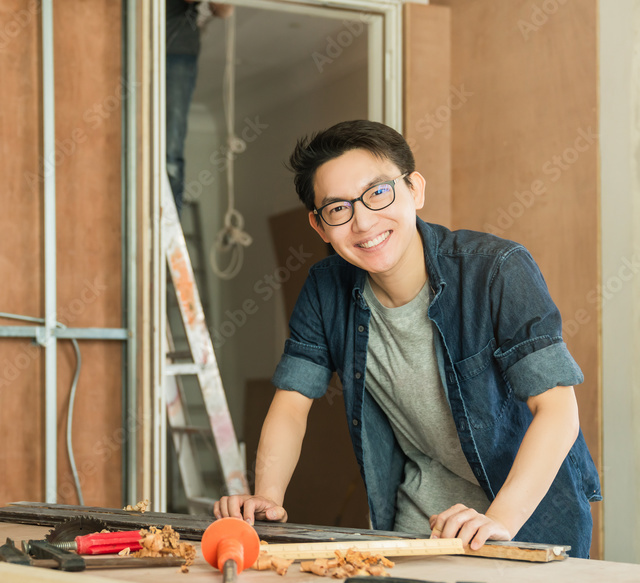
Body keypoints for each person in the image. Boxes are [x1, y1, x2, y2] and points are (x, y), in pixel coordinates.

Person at [213, 120, 601, 557]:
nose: (363, 222)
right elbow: (291, 404)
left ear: (414, 189)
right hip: (422, 514)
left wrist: (499, 520)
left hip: (526, 512)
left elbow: (557, 409)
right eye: (338, 209)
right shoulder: (325, 290)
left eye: (378, 193)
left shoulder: (495, 270)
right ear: (320, 226)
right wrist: (267, 496)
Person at [165, 0, 233, 215]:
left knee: (171, 147)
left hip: (177, 49)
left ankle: (168, 227)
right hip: (130, 37)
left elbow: (225, 10)